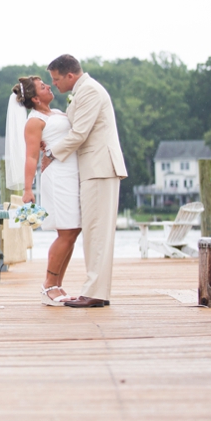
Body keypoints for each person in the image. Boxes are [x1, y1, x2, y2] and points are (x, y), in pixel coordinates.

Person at [42, 54, 127, 308]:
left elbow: (80, 133)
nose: (55, 84)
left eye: (56, 79)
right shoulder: (83, 90)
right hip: (94, 168)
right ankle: (96, 291)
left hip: (100, 167)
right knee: (93, 231)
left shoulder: (89, 91)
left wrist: (51, 153)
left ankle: (96, 292)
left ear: (70, 75)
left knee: (97, 232)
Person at [13, 75, 82, 306]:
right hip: (58, 177)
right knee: (66, 231)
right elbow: (32, 156)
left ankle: (58, 284)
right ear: (35, 98)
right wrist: (27, 189)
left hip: (72, 174)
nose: (49, 87)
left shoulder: (57, 112)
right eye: (43, 87)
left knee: (73, 230)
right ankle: (48, 285)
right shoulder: (34, 121)